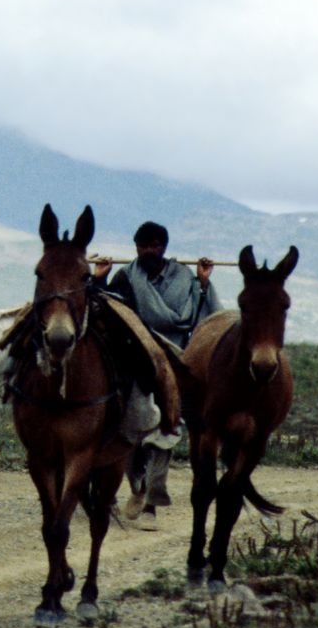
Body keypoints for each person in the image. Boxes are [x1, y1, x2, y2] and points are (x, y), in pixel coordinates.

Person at [92, 221, 221, 525]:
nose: (150, 251)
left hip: (175, 362)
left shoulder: (184, 278)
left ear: (164, 247)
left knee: (168, 429)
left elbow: (202, 318)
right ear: (136, 248)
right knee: (131, 429)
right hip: (138, 362)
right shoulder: (127, 277)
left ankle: (152, 503)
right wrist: (101, 279)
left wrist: (203, 283)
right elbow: (110, 312)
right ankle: (135, 486)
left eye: (155, 245)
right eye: (144, 246)